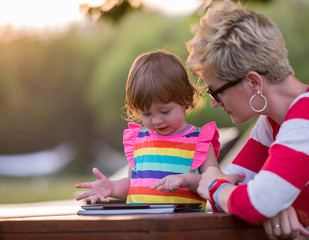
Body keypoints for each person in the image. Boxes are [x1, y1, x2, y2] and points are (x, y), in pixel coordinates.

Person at [186, 0, 309, 239]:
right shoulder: (273, 123)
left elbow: (248, 202)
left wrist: (218, 187)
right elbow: (231, 199)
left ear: (253, 82)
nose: (214, 102)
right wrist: (272, 206)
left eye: (215, 91)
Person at [75, 50, 220, 212]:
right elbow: (135, 184)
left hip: (184, 229)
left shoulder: (199, 141)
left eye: (165, 111)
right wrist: (112, 187)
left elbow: (215, 185)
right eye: (146, 114)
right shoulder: (139, 140)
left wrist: (186, 179)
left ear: (187, 98)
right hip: (142, 227)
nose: (156, 120)